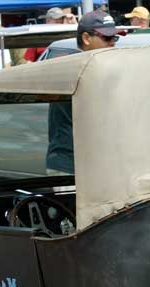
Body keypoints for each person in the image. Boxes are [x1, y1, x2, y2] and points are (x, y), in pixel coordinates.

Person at [46, 10, 120, 174]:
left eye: (114, 37)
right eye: (107, 38)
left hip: (92, 167)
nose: (112, 43)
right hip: (70, 168)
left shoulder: (99, 69)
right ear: (86, 38)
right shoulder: (74, 71)